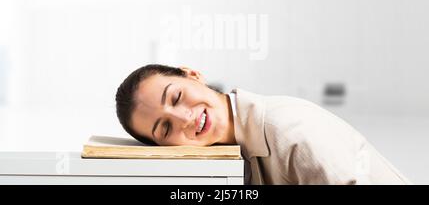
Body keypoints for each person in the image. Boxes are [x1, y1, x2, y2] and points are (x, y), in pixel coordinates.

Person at [115, 64, 411, 185]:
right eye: (164, 128)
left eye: (177, 97)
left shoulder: (288, 129)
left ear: (192, 74)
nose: (184, 118)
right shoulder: (235, 155)